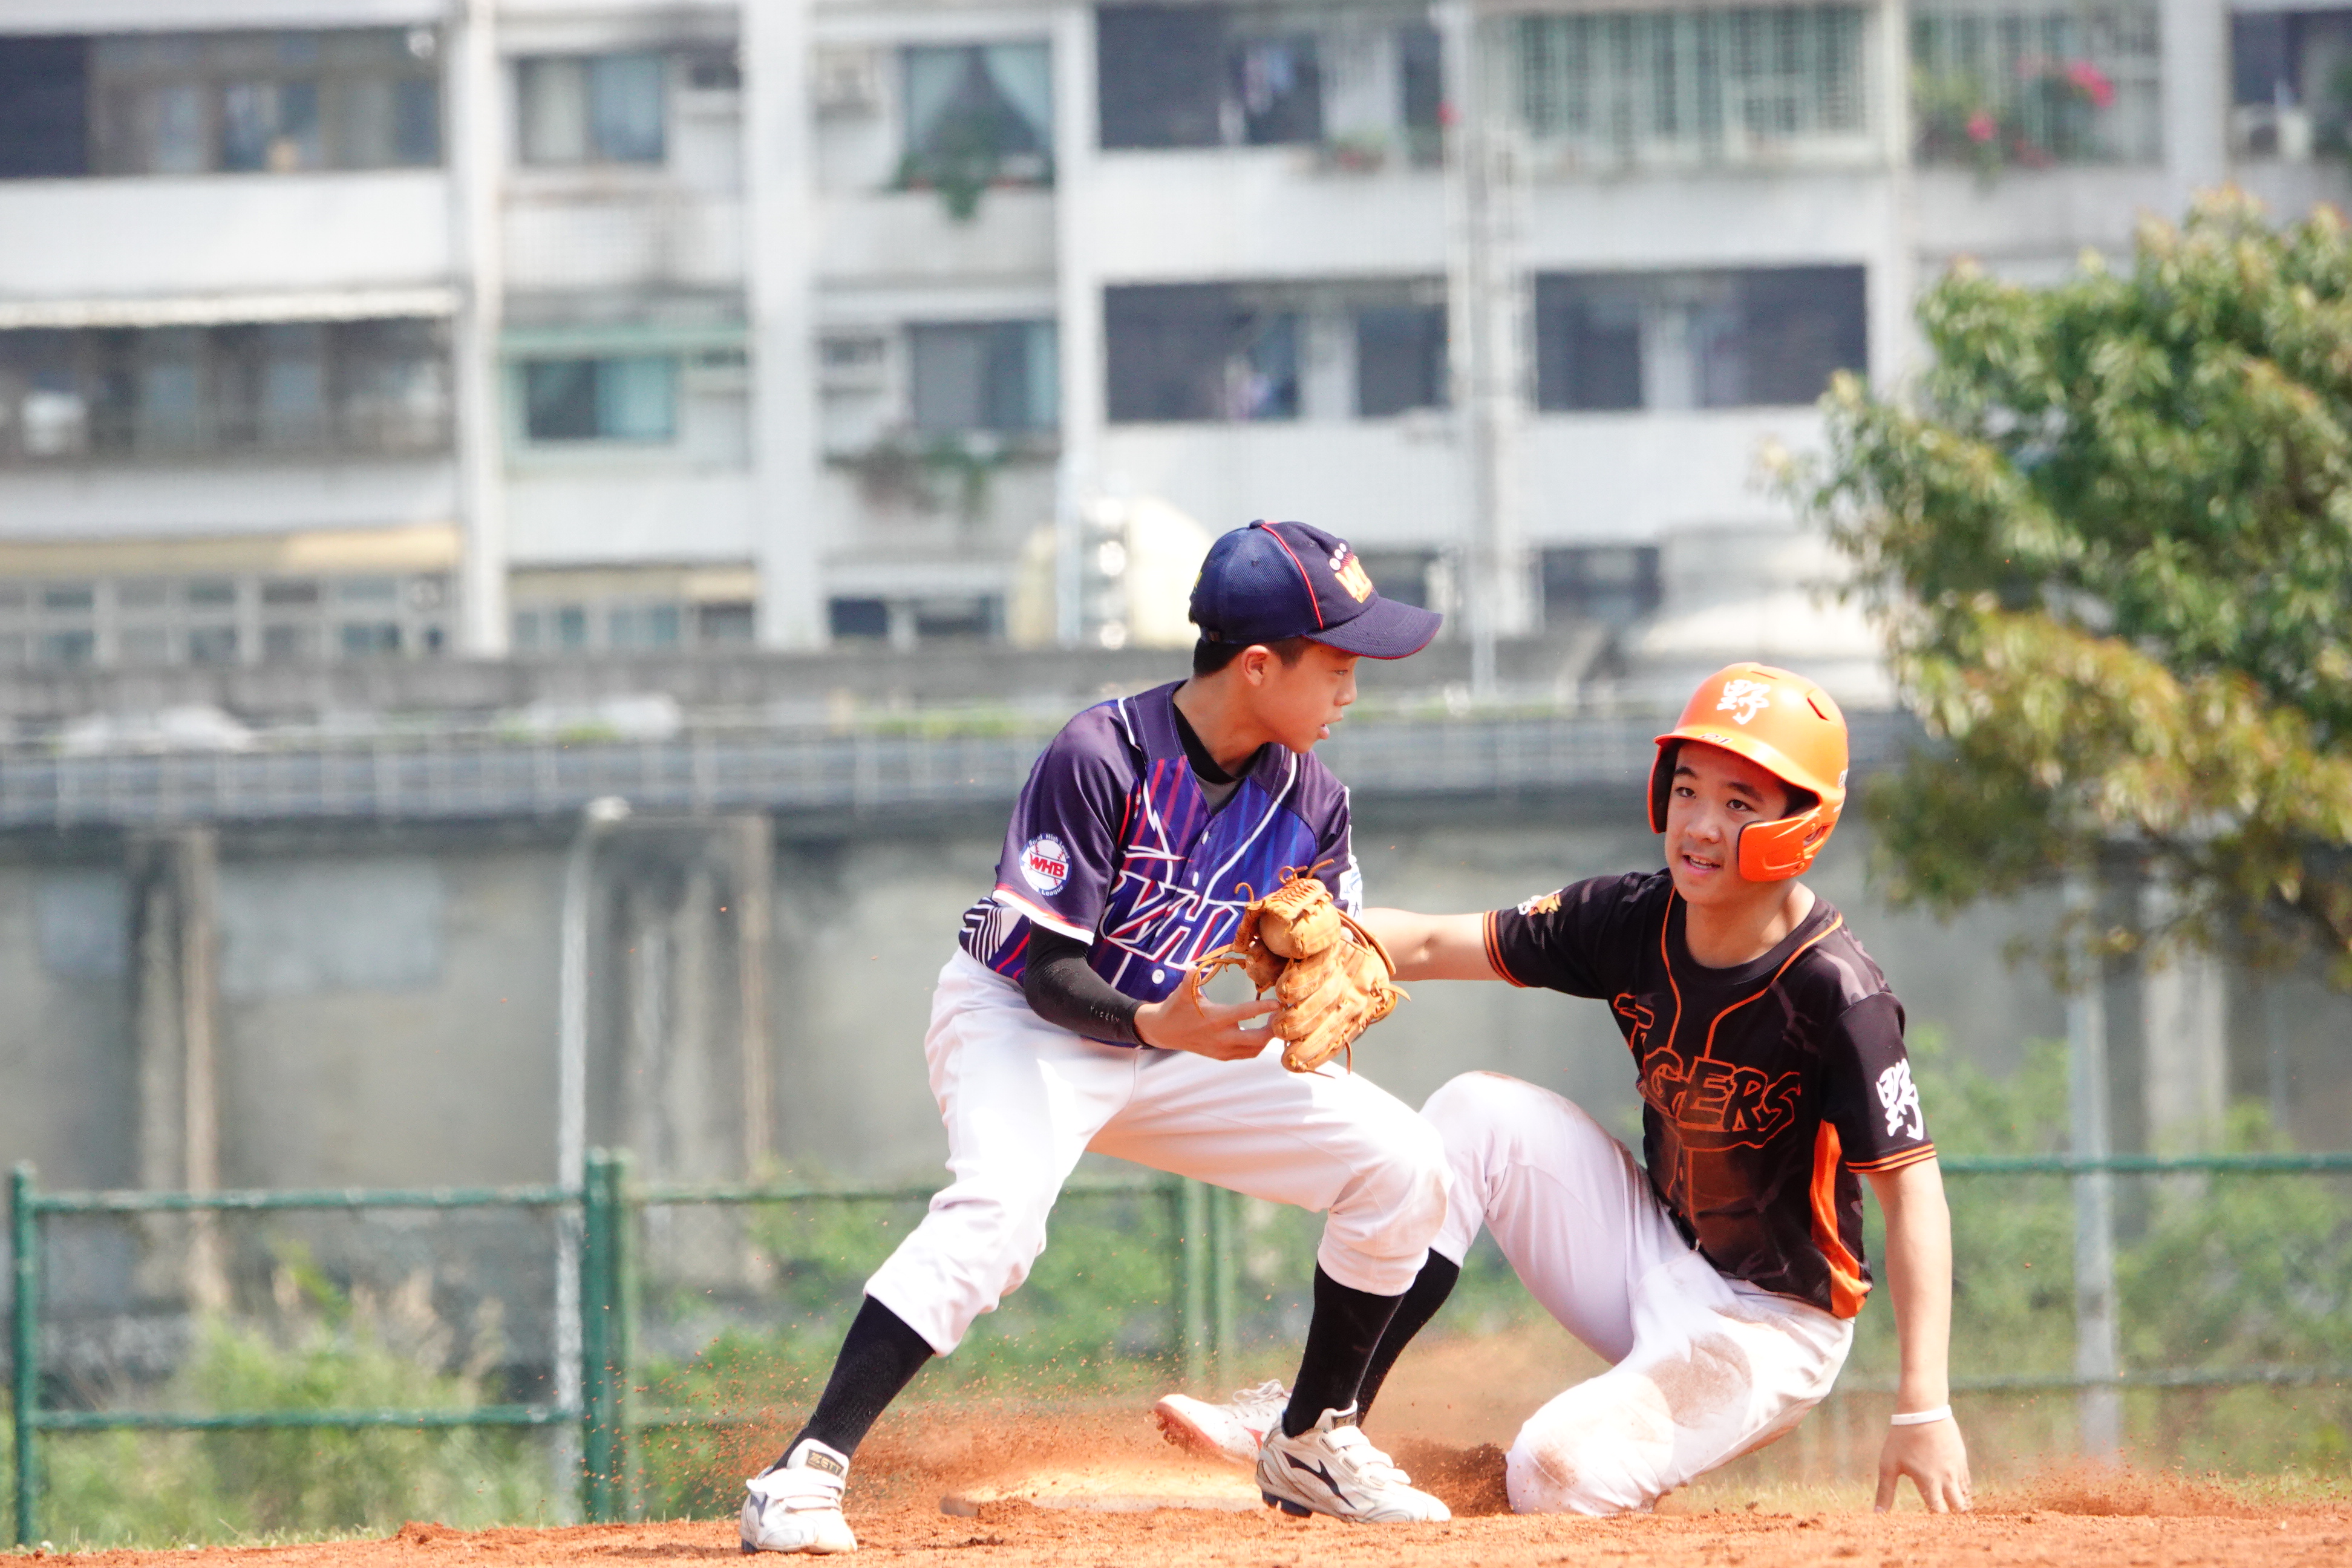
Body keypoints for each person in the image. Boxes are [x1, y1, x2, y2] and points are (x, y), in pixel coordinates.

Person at [740, 521, 1459, 1554]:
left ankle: (1311, 1440)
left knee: (1405, 1163)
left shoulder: (1314, 800)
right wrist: (1158, 1023)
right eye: (1338, 665)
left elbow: (1321, 945)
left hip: (1180, 1039)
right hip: (1025, 1021)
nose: (1353, 690)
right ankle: (804, 1469)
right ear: (1259, 666)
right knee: (998, 1220)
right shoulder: (1102, 756)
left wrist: (1318, 974)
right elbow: (1046, 970)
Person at [1155, 663, 1973, 1515]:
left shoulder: (1837, 992)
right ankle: (1310, 1420)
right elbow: (1433, 942)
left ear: (1804, 826)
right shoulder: (1634, 917)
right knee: (1474, 1113)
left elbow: (1913, 1191)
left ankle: (1515, 1488)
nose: (1700, 824)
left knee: (1553, 1474)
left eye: (1740, 803)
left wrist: (1925, 1405)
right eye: (1687, 789)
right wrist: (1337, 940)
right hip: (1656, 1250)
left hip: (1775, 1322)